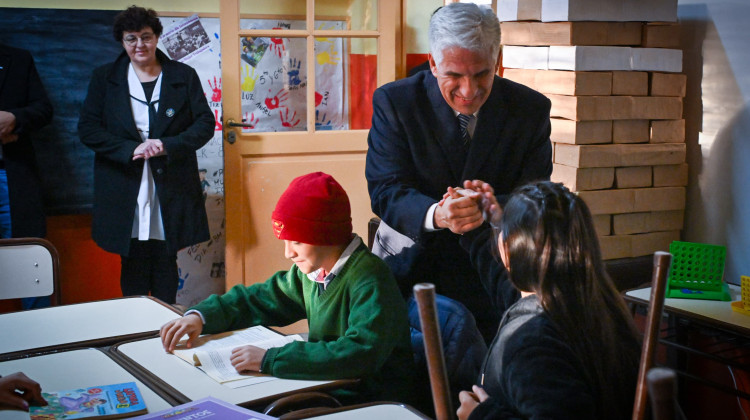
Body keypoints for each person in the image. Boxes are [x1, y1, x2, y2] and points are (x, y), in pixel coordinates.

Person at [365, 2, 551, 342]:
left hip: (495, 274)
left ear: (498, 61)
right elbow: (386, 190)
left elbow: (537, 197)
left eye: (482, 74)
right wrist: (438, 213)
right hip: (410, 272)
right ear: (433, 63)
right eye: (454, 76)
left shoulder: (531, 110)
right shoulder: (395, 103)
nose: (469, 91)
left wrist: (492, 207)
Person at [160, 172, 414, 405]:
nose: (288, 253)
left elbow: (360, 353)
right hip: (329, 386)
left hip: (370, 401)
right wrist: (201, 317)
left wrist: (270, 359)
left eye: (297, 241)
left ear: (326, 235)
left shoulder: (370, 278)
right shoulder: (312, 272)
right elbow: (258, 300)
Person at [454, 180, 641, 419]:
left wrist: (481, 416)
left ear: (507, 249)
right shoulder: (597, 306)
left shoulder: (531, 343)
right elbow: (508, 286)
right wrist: (483, 226)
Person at [78, 6, 214, 304]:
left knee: (166, 257)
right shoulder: (104, 78)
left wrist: (167, 144)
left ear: (156, 37)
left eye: (146, 37)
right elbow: (88, 129)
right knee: (133, 258)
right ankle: (134, 328)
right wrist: (131, 149)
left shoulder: (183, 75)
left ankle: (165, 327)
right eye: (131, 39)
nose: (139, 45)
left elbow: (205, 124)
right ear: (122, 41)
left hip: (170, 181)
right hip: (124, 181)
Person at [0, 43, 54, 309]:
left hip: (12, 176)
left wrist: (15, 118)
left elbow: (43, 109)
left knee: (31, 265)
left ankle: (39, 344)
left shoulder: (18, 59)